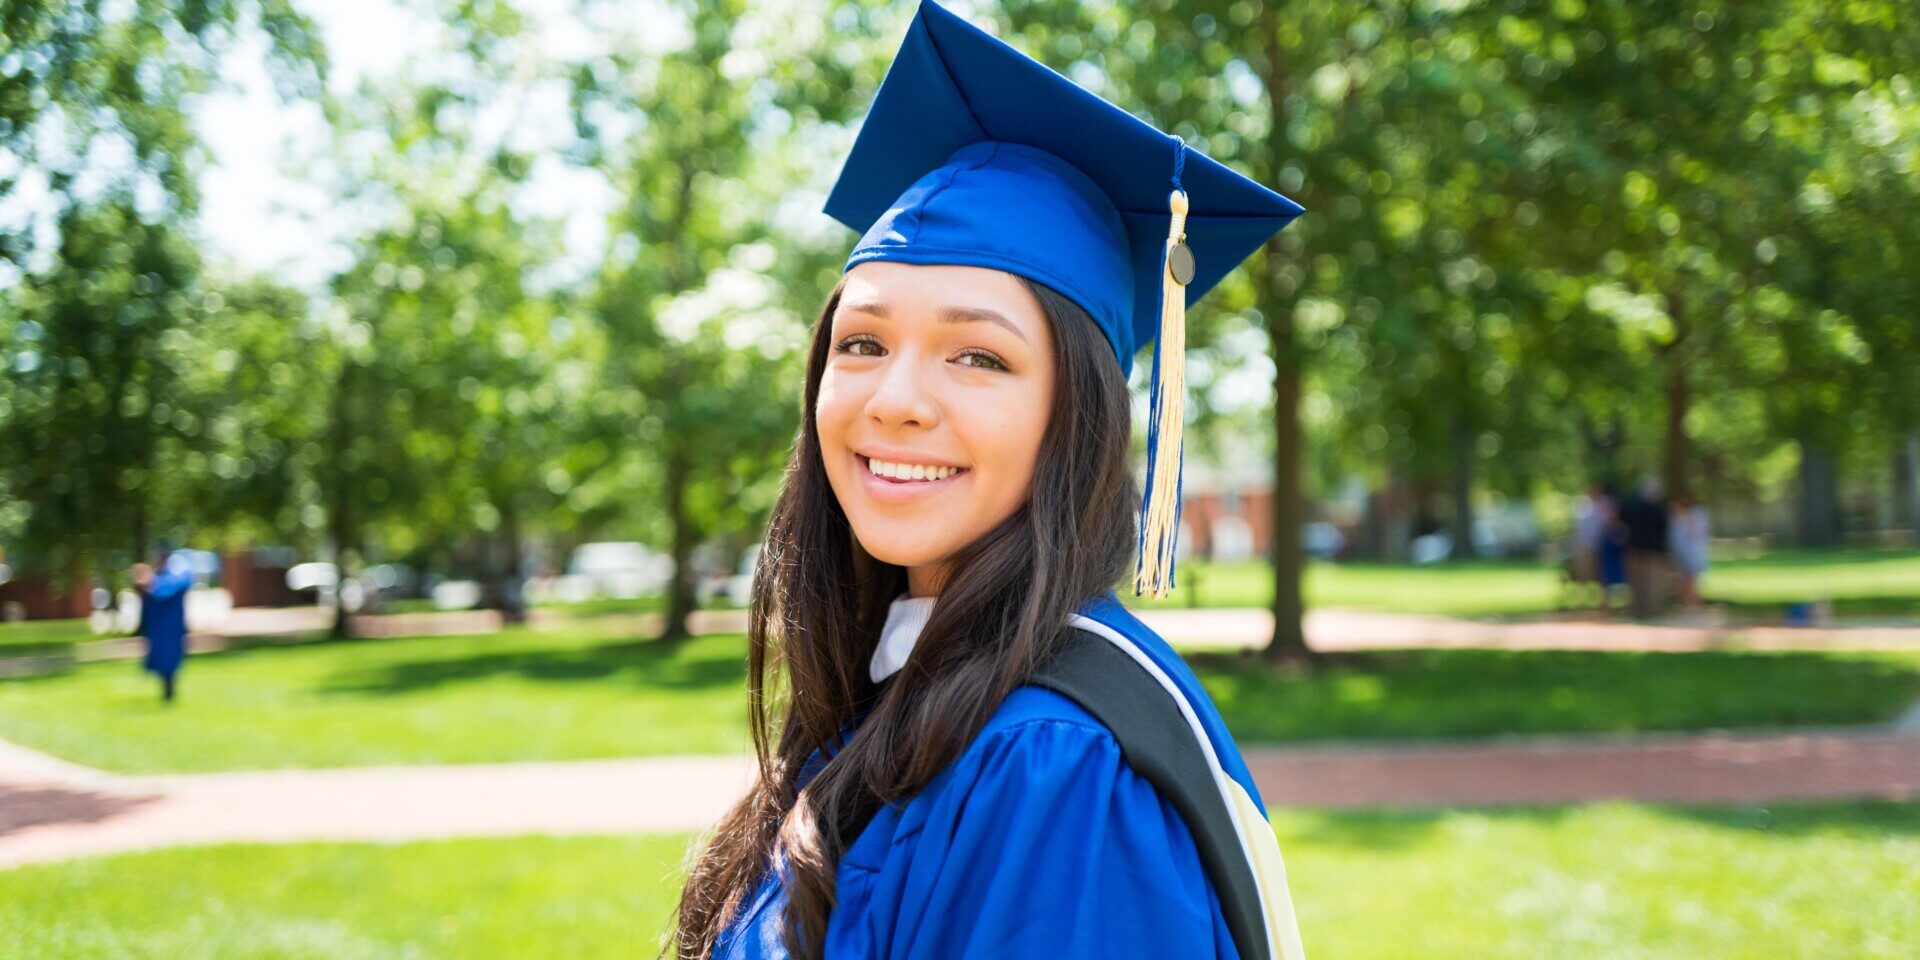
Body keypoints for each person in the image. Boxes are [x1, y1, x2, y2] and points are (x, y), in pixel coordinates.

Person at [671, 5, 1307, 960]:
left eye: (977, 357)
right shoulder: (908, 690)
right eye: (864, 343)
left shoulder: (1055, 767)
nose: (896, 399)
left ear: (1076, 418)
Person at [131, 545, 194, 702]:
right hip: (159, 629)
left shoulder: (175, 576)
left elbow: (167, 590)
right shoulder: (160, 577)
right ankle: (167, 691)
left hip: (171, 628)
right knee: (162, 661)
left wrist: (150, 584)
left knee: (170, 660)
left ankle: (169, 692)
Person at [1618, 477, 1670, 618]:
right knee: (1652, 582)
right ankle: (1652, 610)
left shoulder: (1631, 506)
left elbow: (1619, 522)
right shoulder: (1659, 509)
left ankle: (1636, 609)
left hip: (1634, 547)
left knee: (1636, 581)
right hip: (1653, 550)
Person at [1668, 494, 1711, 611]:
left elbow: (1699, 532)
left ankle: (1693, 603)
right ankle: (1688, 603)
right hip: (1683, 552)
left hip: (1693, 551)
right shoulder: (1678, 517)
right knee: (1685, 579)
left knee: (1692, 579)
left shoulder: (1697, 514)